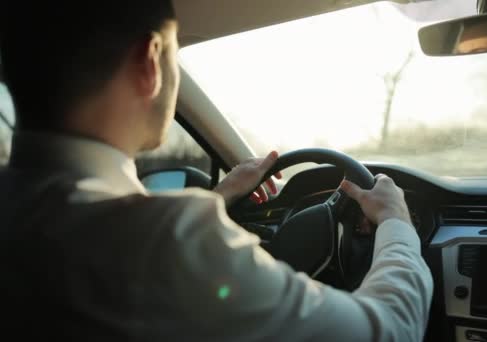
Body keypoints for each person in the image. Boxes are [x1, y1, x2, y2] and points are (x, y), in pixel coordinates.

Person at [0, 1, 433, 341]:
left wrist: (218, 197)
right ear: (151, 60)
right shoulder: (169, 242)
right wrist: (395, 223)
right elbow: (392, 330)